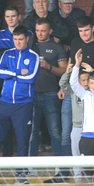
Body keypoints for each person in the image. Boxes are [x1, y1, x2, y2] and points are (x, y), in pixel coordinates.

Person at [0, 26, 39, 185]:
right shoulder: (7, 53)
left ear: (27, 39)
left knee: (23, 140)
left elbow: (31, 77)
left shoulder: (33, 56)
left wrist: (12, 74)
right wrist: (17, 72)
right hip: (4, 102)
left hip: (23, 104)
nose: (18, 42)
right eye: (15, 39)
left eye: (21, 39)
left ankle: (21, 175)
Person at [29, 18, 68, 158]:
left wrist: (49, 67)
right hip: (32, 94)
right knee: (32, 132)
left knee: (55, 131)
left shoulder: (57, 47)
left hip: (51, 94)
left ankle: (59, 165)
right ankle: (29, 166)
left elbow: (64, 70)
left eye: (43, 31)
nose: (40, 34)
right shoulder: (30, 45)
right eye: (37, 31)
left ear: (50, 31)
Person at [69, 16, 94, 84]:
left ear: (93, 28)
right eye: (80, 31)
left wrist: (93, 71)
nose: (83, 34)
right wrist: (63, 88)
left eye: (86, 30)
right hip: (73, 86)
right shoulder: (75, 42)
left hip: (90, 89)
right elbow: (70, 63)